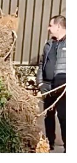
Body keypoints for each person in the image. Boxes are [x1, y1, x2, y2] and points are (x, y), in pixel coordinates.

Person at [37, 15, 66, 152]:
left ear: (59, 26)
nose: (48, 28)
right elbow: (42, 64)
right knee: (48, 116)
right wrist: (40, 83)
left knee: (63, 116)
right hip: (47, 85)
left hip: (63, 86)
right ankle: (49, 143)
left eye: (51, 25)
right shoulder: (49, 44)